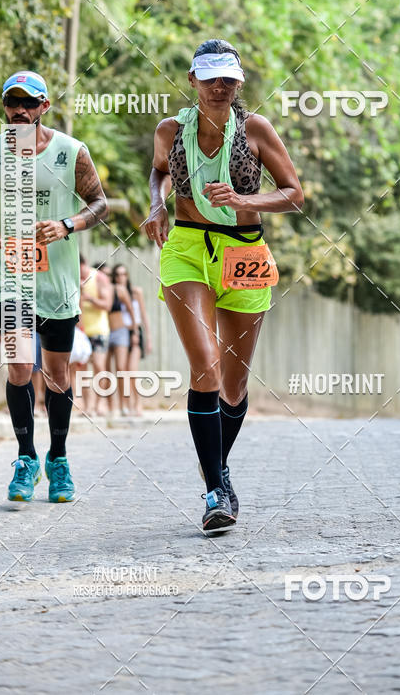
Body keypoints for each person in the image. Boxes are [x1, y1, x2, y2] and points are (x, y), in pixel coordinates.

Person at [145, 39, 303, 532]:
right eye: (210, 77)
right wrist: (157, 203)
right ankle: (215, 492)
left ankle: (217, 465)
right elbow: (157, 173)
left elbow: (295, 194)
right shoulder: (170, 130)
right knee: (205, 367)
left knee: (234, 386)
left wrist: (242, 198)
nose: (219, 86)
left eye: (228, 79)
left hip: (244, 252)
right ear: (191, 80)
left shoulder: (255, 129)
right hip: (189, 248)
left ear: (239, 84)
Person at [0, 70, 108, 503]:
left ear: (44, 107)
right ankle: (26, 458)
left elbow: (100, 204)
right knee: (20, 367)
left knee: (57, 375)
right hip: (10, 278)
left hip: (57, 281)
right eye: (11, 102)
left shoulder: (70, 151)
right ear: (4, 106)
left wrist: (66, 225)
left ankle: (58, 459)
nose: (19, 110)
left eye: (28, 103)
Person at [113, 264, 149, 415]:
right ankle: (124, 405)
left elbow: (143, 314)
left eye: (124, 274)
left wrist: (149, 337)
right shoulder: (114, 293)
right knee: (122, 370)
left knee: (133, 371)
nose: (121, 277)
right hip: (122, 331)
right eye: (118, 274)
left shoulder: (136, 292)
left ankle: (137, 403)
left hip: (135, 331)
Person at [79, 256, 113, 416]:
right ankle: (87, 407)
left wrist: (89, 298)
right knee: (82, 370)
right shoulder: (73, 278)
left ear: (83, 265)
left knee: (99, 367)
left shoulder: (99, 278)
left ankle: (100, 404)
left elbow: (107, 305)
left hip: (99, 330)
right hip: (81, 331)